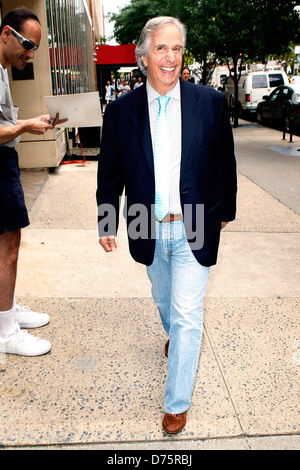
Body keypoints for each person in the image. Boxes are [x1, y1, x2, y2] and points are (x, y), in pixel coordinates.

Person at [97, 17, 237, 434]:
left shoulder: (208, 102)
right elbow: (110, 174)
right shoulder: (121, 112)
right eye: (161, 49)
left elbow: (224, 161)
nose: (170, 58)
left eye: (177, 49)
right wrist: (107, 221)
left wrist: (225, 209)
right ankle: (175, 338)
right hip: (146, 221)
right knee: (164, 302)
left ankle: (177, 402)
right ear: (143, 57)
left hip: (195, 218)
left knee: (188, 315)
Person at [0, 8, 67, 358]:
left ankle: (6, 310)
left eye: (36, 48)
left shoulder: (2, 70)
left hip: (4, 161)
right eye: (28, 44)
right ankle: (6, 330)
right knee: (8, 246)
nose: (30, 53)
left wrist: (27, 121)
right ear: (7, 33)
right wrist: (25, 127)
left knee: (5, 245)